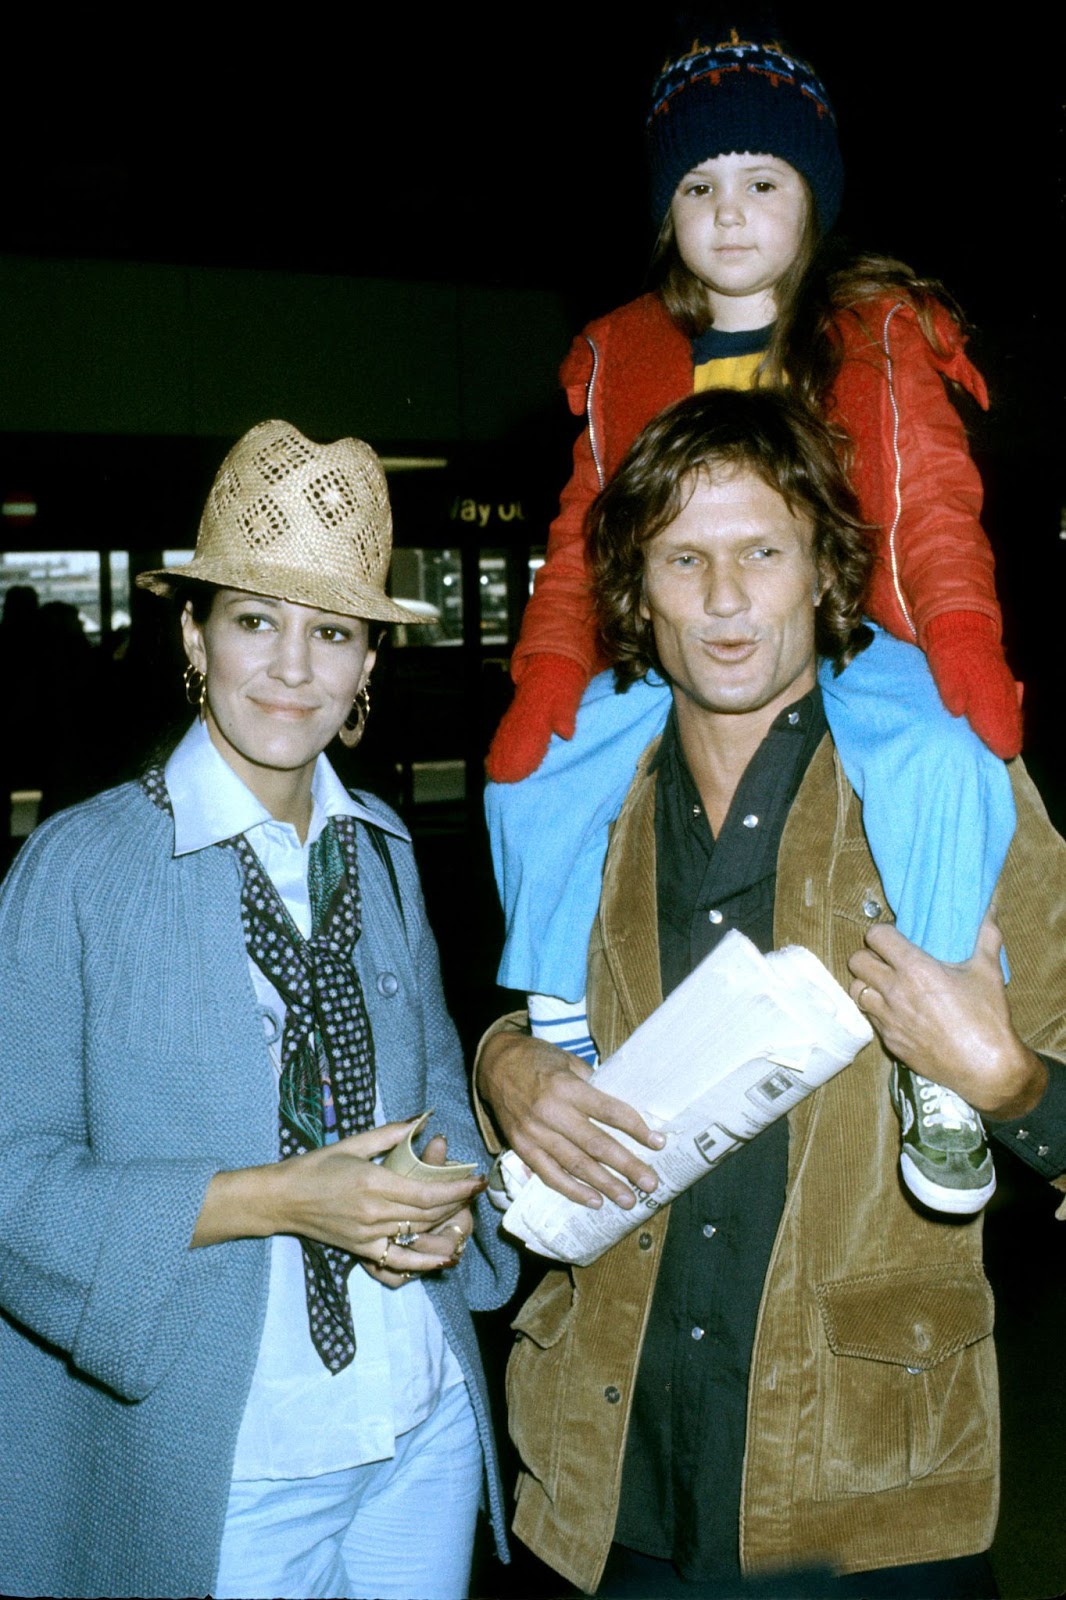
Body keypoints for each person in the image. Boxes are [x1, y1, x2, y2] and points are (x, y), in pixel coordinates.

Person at [476, 388, 1066, 1597]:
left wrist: (1002, 1079)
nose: (729, 599)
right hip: (606, 1485)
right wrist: (502, 1065)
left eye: (762, 552)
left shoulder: (955, 796)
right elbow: (522, 1022)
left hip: (866, 1500)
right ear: (636, 592)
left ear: (824, 574)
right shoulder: (581, 808)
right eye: (685, 559)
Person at [483, 22, 1019, 1215]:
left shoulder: (873, 335)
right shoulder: (622, 353)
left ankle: (938, 1059)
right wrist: (549, 671)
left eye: (762, 183)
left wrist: (967, 648)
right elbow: (582, 535)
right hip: (676, 647)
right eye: (698, 185)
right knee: (532, 777)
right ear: (665, 211)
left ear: (811, 201)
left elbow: (931, 509)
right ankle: (561, 1009)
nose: (729, 214)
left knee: (942, 756)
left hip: (850, 631)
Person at [0, 420, 518, 1600]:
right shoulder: (78, 869)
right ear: (194, 634)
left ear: (367, 665)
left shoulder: (380, 850)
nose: (292, 669)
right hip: (228, 1449)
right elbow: (9, 1177)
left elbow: (435, 1092)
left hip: (416, 1418)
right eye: (255, 620)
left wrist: (442, 1197)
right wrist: (278, 1199)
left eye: (331, 631)